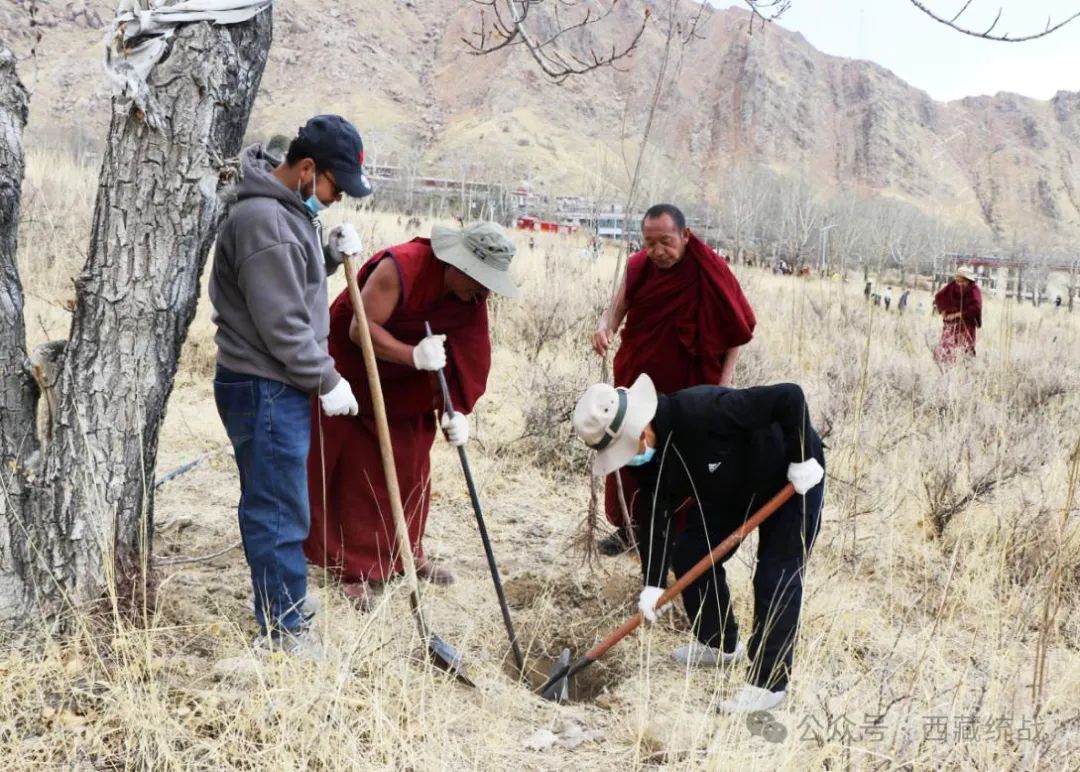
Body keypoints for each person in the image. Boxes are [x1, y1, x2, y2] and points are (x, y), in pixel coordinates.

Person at [209, 114, 373, 655]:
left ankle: (284, 605)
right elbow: (281, 322)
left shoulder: (285, 213)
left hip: (272, 383)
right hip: (263, 385)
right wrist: (326, 378)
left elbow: (288, 283)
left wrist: (326, 255)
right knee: (278, 507)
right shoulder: (262, 220)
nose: (337, 200)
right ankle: (282, 628)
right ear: (307, 169)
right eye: (334, 187)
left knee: (281, 501)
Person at [571, 374, 825, 713]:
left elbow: (789, 397)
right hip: (730, 489)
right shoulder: (649, 457)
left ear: (640, 431)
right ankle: (719, 643)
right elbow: (654, 512)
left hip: (791, 476)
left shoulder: (704, 411)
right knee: (690, 553)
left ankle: (769, 684)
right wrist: (653, 583)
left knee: (775, 577)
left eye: (624, 450)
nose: (626, 459)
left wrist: (803, 457)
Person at [305, 222, 518, 608]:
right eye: (479, 281)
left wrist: (458, 412)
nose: (483, 293)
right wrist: (413, 355)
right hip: (357, 374)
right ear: (459, 265)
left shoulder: (469, 296)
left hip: (409, 391)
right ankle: (355, 569)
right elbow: (359, 328)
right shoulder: (401, 267)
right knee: (357, 476)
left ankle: (407, 552)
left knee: (412, 469)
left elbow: (470, 353)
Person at [591, 204, 756, 555]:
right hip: (639, 379)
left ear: (684, 235)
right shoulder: (638, 268)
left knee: (684, 458)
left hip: (691, 386)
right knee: (633, 450)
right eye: (649, 243)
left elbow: (737, 333)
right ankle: (631, 529)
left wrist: (721, 389)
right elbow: (615, 310)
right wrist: (604, 328)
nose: (657, 252)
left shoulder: (710, 271)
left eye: (665, 242)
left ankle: (678, 537)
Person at [934, 266, 982, 362]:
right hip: (951, 324)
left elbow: (976, 307)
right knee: (947, 346)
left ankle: (966, 368)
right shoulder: (952, 286)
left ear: (968, 280)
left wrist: (958, 314)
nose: (959, 284)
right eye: (958, 281)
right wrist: (943, 311)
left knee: (966, 347)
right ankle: (945, 366)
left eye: (962, 281)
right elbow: (939, 297)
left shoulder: (974, 290)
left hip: (966, 324)